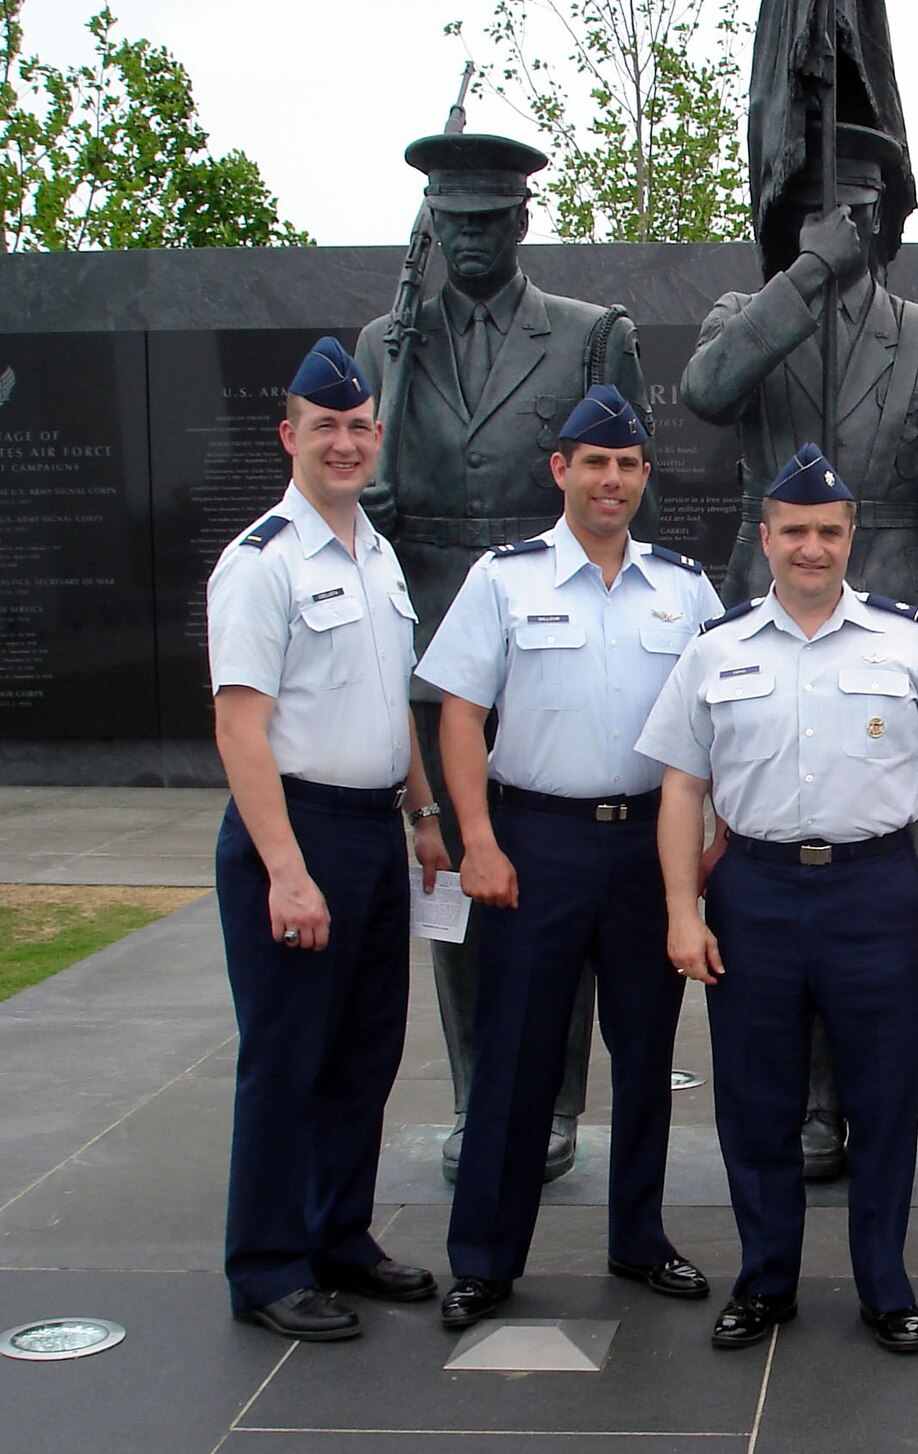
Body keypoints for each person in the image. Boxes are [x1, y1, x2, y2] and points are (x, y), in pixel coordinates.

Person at [681, 120, 918, 1179]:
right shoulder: (749, 313)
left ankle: (864, 1081)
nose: (850, 224)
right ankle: (800, 1098)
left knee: (872, 867)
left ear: (893, 221)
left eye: (866, 209)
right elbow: (708, 391)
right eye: (827, 208)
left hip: (885, 616)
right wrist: (806, 274)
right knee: (768, 851)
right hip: (767, 616)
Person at [641, 444, 918, 1355]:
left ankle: (884, 1282)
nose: (811, 547)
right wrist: (683, 910)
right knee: (756, 1105)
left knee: (885, 1100)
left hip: (874, 891)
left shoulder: (907, 638)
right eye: (794, 531)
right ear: (765, 539)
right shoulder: (716, 649)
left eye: (828, 531)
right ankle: (766, 1280)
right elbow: (683, 786)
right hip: (753, 891)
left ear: (851, 538)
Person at [356, 131, 651, 1184]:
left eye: (488, 221)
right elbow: (353, 495)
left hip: (550, 634)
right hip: (435, 640)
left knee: (553, 876)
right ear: (430, 224)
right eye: (451, 222)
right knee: (450, 878)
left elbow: (610, 483)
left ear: (521, 220)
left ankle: (557, 1099)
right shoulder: (387, 340)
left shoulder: (586, 337)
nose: (469, 240)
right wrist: (374, 509)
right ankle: (482, 1086)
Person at [411, 386, 722, 1329]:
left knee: (646, 1055)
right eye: (595, 463)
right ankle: (485, 1257)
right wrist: (479, 842)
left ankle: (638, 1238)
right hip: (535, 842)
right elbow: (459, 712)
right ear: (561, 471)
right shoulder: (505, 581)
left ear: (643, 477)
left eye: (628, 465)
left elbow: (724, 714)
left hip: (646, 846)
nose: (612, 480)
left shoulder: (684, 587)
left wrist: (709, 847)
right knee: (515, 1056)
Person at [208, 337, 450, 1341]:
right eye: (326, 428)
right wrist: (285, 871)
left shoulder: (376, 554)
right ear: (290, 437)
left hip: (371, 831)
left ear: (376, 436)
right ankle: (266, 1264)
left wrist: (425, 812)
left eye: (358, 428)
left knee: (362, 1051)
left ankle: (338, 1235)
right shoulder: (260, 562)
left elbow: (389, 705)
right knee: (287, 1058)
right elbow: (239, 722)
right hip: (296, 830)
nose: (344, 444)